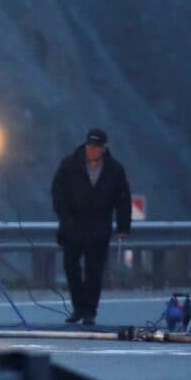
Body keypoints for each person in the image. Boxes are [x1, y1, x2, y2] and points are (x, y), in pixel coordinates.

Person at [50, 128, 131, 326]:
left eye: (96, 147)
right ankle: (78, 306)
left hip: (99, 226)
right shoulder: (69, 165)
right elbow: (57, 191)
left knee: (94, 270)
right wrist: (64, 218)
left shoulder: (114, 169)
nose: (92, 150)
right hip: (73, 225)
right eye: (90, 146)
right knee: (71, 267)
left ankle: (89, 310)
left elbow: (123, 199)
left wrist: (123, 226)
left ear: (103, 148)